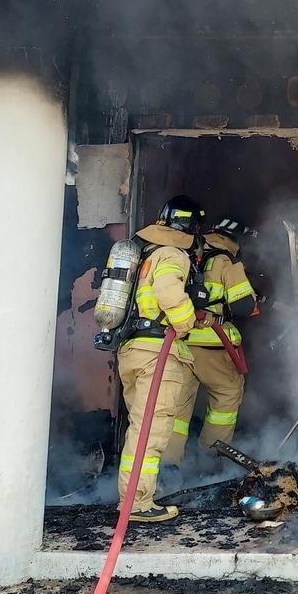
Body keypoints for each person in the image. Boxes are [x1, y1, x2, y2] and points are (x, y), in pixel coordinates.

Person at [114, 195, 204, 523]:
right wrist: (186, 321)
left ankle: (133, 495)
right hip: (157, 353)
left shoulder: (145, 255)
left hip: (132, 349)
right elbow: (168, 293)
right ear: (193, 228)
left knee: (139, 426)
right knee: (150, 429)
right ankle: (137, 502)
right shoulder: (172, 254)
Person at [165, 216, 258, 467]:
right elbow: (243, 306)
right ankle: (211, 462)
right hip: (211, 345)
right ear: (235, 240)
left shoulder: (182, 253)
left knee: (177, 407)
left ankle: (168, 465)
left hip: (177, 342)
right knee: (226, 395)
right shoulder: (226, 260)